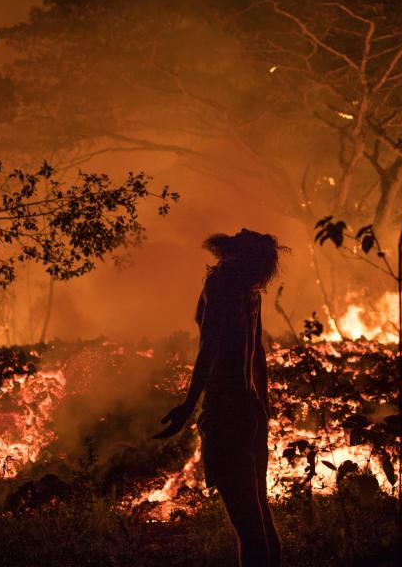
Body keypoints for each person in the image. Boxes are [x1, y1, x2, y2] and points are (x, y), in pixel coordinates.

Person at [153, 229, 285, 567]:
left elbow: (209, 350)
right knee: (261, 523)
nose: (238, 231)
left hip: (226, 412)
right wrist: (262, 410)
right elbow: (258, 356)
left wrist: (187, 406)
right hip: (250, 410)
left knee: (249, 528)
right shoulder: (251, 292)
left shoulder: (222, 286)